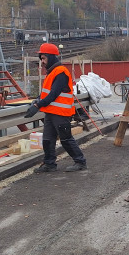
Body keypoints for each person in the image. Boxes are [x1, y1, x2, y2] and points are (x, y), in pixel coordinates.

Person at [24, 43, 87, 173]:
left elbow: (54, 94)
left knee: (66, 139)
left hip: (61, 113)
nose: (42, 62)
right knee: (47, 139)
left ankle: (80, 161)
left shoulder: (61, 72)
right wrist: (38, 99)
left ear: (51, 57)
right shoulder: (52, 72)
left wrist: (37, 105)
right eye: (41, 59)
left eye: (44, 58)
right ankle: (49, 164)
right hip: (50, 112)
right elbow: (46, 93)